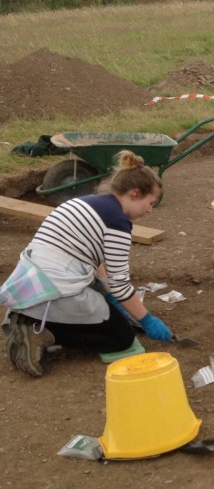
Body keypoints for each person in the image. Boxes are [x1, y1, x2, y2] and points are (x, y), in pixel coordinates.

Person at [1, 150, 173, 377]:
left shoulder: (90, 204)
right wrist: (147, 320)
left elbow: (96, 262)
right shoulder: (117, 223)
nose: (150, 209)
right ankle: (38, 330)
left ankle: (27, 318)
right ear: (134, 193)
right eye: (150, 202)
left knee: (111, 310)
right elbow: (121, 285)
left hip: (33, 280)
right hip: (57, 287)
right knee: (121, 338)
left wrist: (109, 294)